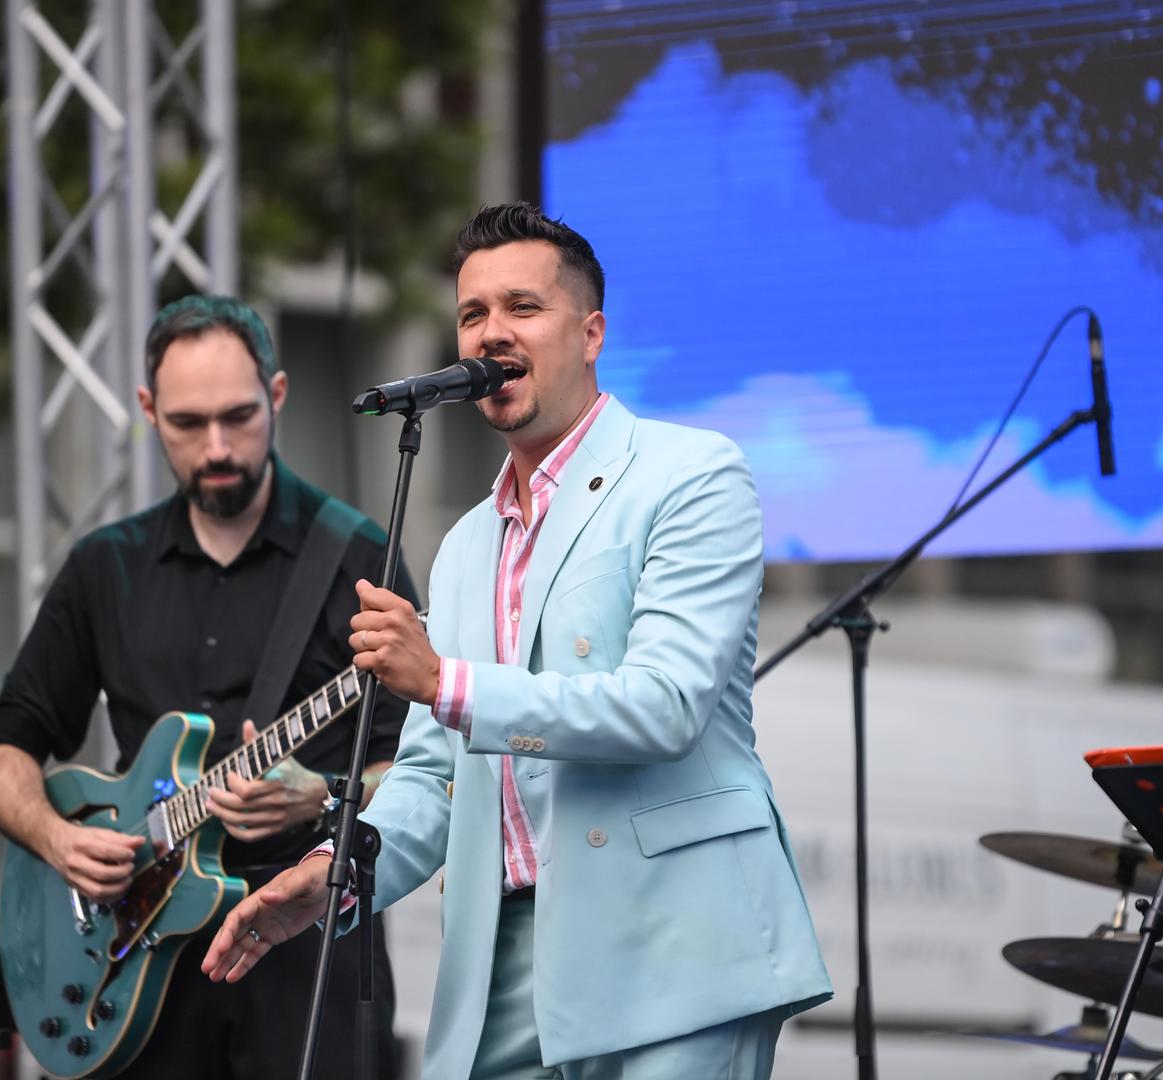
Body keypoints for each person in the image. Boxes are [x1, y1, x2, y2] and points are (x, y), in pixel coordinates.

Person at [203, 203, 832, 1078]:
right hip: (501, 967)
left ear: (591, 333)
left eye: (522, 307)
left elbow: (666, 706)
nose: (491, 332)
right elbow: (433, 777)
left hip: (674, 951)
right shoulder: (467, 545)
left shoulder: (691, 474)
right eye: (472, 314)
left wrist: (445, 682)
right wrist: (334, 871)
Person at [0, 294, 413, 1079]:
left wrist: (320, 798)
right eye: (187, 423)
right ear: (148, 411)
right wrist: (58, 839)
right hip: (140, 966)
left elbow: (420, 772)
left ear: (277, 395)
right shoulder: (105, 567)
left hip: (309, 949)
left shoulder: (358, 558)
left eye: (238, 417)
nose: (217, 447)